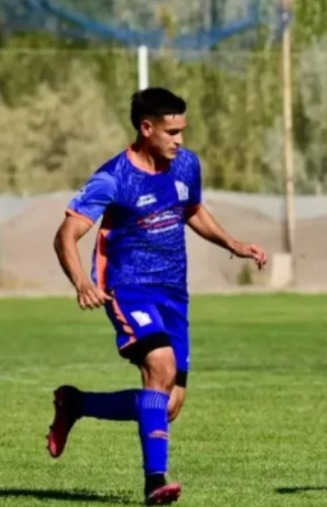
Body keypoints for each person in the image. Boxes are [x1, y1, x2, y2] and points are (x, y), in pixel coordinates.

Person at [47, 87, 268, 505]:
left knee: (166, 406)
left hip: (174, 293)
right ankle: (155, 482)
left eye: (182, 130)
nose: (179, 140)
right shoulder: (113, 178)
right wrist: (82, 283)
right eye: (171, 132)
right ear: (146, 128)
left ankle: (75, 403)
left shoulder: (185, 165)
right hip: (128, 288)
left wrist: (233, 244)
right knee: (160, 365)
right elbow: (66, 236)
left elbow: (193, 210)